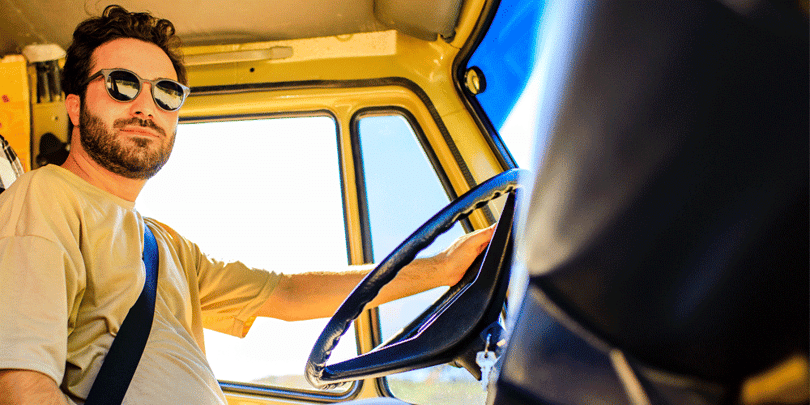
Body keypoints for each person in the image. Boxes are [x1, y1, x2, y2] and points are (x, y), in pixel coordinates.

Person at [0, 5, 495, 404]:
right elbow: (20, 387)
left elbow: (288, 295)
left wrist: (443, 269)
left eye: (167, 93)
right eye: (122, 84)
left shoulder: (164, 244)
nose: (146, 107)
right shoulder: (46, 197)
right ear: (74, 104)